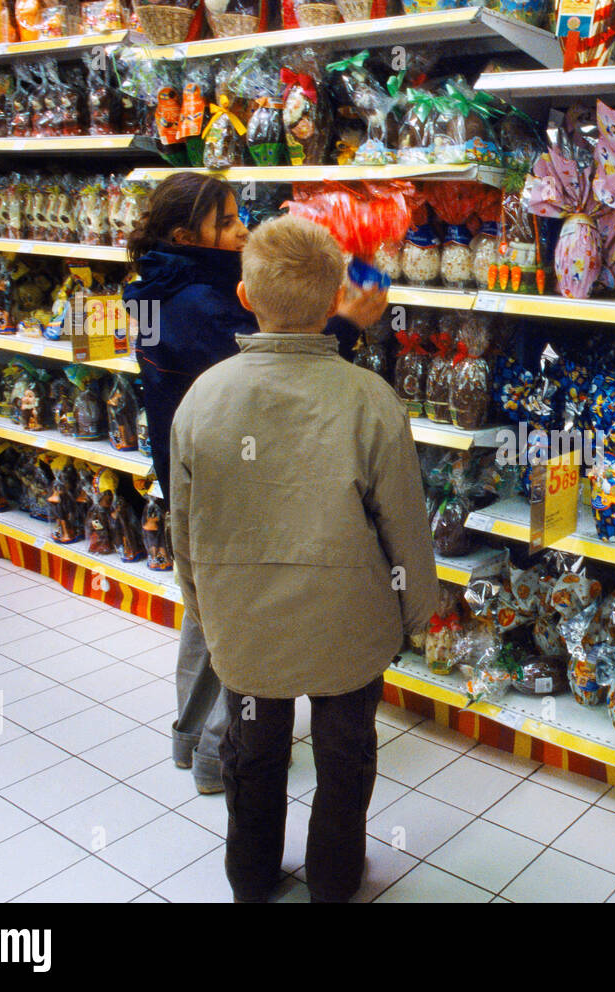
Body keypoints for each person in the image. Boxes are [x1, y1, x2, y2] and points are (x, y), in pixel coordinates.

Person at [168, 215, 437, 903]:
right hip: (349, 630)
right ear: (335, 301)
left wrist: (207, 611)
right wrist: (414, 617)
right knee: (345, 757)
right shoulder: (371, 402)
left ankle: (252, 877)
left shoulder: (204, 399)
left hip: (248, 631)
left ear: (246, 295)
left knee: (253, 756)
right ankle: (333, 879)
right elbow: (406, 529)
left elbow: (185, 533)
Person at [124, 173, 381, 795]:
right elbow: (263, 386)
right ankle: (219, 755)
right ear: (188, 235)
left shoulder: (161, 288)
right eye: (229, 223)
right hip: (231, 479)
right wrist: (341, 327)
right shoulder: (199, 306)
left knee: (205, 610)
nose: (244, 230)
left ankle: (193, 741)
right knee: (227, 620)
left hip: (192, 473)